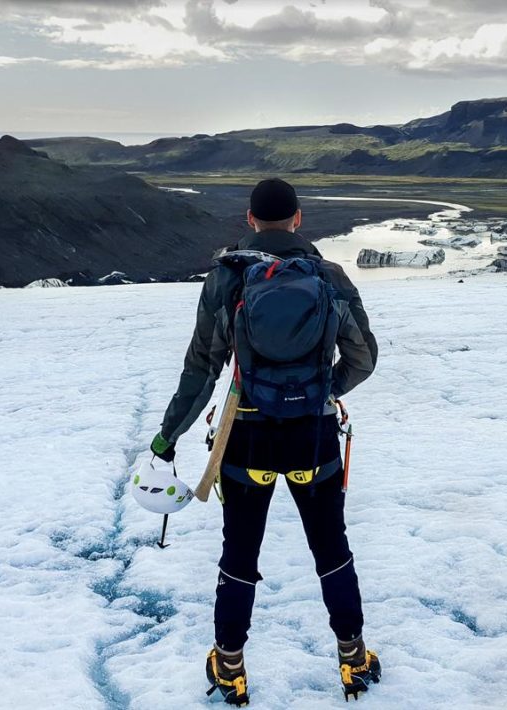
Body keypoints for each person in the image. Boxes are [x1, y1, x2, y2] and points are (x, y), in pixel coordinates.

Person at [149, 178, 380, 704]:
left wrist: (168, 437)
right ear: (298, 219)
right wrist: (323, 389)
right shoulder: (329, 276)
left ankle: (230, 667)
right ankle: (353, 659)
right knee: (331, 550)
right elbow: (364, 357)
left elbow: (201, 368)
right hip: (313, 439)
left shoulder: (227, 278)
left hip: (245, 438)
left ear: (249, 220)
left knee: (240, 553)